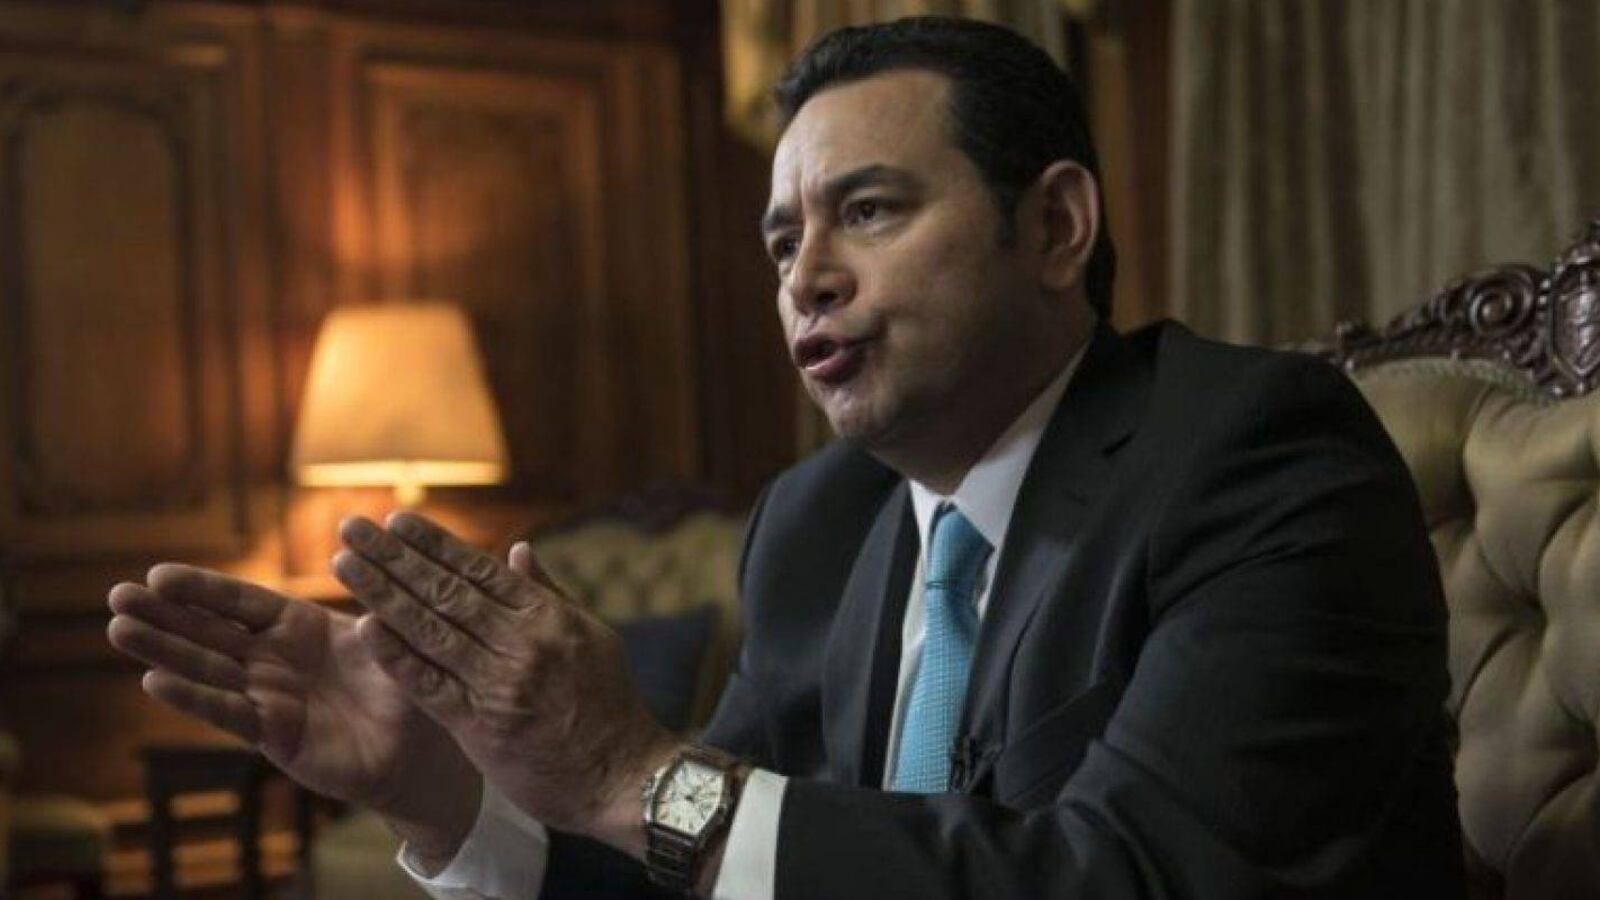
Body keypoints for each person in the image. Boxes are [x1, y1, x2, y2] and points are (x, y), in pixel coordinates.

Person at [106, 16, 1465, 899]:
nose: (805, 277)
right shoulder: (820, 522)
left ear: (1055, 227)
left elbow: (1132, 879)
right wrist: (440, 793)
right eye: (781, 243)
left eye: (867, 212)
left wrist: (633, 771)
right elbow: (707, 867)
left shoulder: (1258, 454)